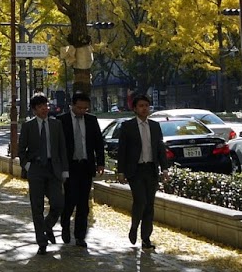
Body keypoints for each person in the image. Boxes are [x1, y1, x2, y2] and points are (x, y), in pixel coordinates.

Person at [115, 93, 169, 250]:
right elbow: (122, 150)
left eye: (146, 105)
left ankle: (146, 238)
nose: (144, 109)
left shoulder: (155, 126)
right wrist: (121, 171)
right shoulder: (128, 126)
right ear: (135, 109)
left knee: (150, 205)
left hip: (151, 169)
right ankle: (134, 227)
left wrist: (164, 168)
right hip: (135, 170)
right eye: (141, 106)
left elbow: (160, 149)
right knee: (140, 201)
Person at [17, 93, 69, 253]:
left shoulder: (56, 125)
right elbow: (21, 150)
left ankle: (47, 226)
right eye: (40, 107)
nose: (45, 109)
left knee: (59, 203)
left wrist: (65, 170)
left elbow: (62, 149)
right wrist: (27, 166)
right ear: (34, 110)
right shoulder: (28, 126)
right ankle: (42, 242)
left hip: (53, 169)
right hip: (36, 169)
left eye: (46, 106)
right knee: (37, 206)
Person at [59, 91, 105, 246]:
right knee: (70, 200)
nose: (82, 111)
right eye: (79, 108)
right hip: (69, 166)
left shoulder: (91, 120)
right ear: (72, 105)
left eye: (85, 108)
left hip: (86, 165)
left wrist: (100, 162)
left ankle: (80, 235)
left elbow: (99, 142)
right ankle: (65, 225)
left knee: (83, 203)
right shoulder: (62, 121)